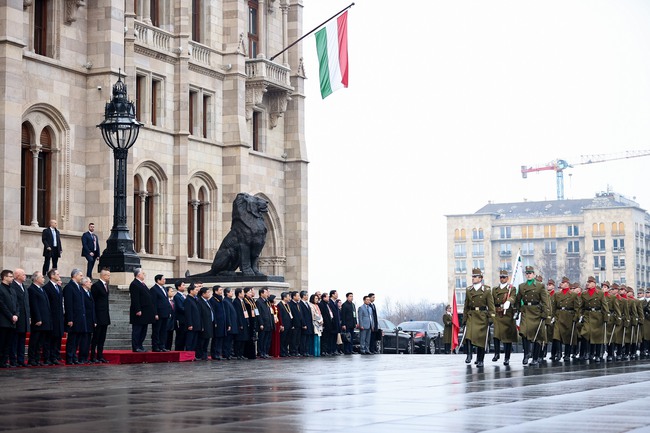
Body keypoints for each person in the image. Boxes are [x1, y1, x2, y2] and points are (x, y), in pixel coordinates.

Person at [516, 266, 550, 366]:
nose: (528, 275)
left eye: (530, 273)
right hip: (526, 311)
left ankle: (535, 358)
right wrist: (518, 310)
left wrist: (545, 313)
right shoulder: (522, 286)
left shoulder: (540, 286)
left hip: (537, 312)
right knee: (524, 333)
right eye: (527, 273)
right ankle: (526, 354)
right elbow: (518, 300)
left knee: (537, 336)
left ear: (534, 275)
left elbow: (545, 301)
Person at [463, 268, 495, 367]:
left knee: (481, 339)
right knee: (468, 336)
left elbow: (491, 306)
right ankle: (469, 355)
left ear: (480, 278)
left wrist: (491, 318)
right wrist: (464, 319)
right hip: (472, 315)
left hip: (482, 316)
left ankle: (480, 359)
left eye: (475, 276)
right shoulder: (469, 290)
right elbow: (466, 305)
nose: (473, 278)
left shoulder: (486, 290)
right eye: (472, 276)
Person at [579, 276, 609, 362]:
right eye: (588, 282)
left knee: (597, 336)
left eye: (590, 282)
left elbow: (604, 306)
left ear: (594, 284)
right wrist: (580, 315)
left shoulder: (600, 293)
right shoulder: (584, 294)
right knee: (586, 333)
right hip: (587, 315)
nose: (588, 283)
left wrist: (606, 318)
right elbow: (581, 306)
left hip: (598, 316)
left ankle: (597, 354)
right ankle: (588, 352)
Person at [551, 276, 581, 362]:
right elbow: (554, 307)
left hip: (569, 316)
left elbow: (577, 308)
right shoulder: (557, 294)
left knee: (568, 336)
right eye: (561, 282)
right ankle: (559, 353)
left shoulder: (573, 295)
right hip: (559, 315)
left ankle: (567, 354)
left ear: (567, 284)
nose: (562, 284)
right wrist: (552, 316)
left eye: (563, 283)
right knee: (557, 335)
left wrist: (576, 317)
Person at [491, 269, 517, 365]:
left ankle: (507, 357)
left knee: (507, 338)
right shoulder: (495, 289)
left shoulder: (511, 288)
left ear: (507, 278)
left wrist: (509, 301)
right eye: (501, 277)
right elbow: (492, 301)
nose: (502, 279)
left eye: (504, 277)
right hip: (498, 313)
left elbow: (514, 297)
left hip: (507, 314)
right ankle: (497, 353)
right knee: (496, 335)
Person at [27, 271, 51, 366]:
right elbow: (34, 305)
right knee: (34, 341)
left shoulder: (42, 289)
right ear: (36, 278)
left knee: (40, 342)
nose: (44, 279)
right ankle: (32, 359)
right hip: (38, 320)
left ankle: (37, 359)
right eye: (42, 277)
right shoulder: (32, 289)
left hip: (45, 320)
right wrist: (37, 319)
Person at [129, 268, 155, 352]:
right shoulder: (134, 284)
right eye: (143, 273)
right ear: (138, 275)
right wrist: (137, 310)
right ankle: (136, 346)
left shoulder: (142, 284)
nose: (144, 275)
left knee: (143, 330)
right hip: (139, 312)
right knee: (137, 330)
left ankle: (140, 345)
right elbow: (135, 299)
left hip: (146, 312)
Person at [63, 269, 86, 364]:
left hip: (80, 318)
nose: (82, 277)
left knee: (77, 339)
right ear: (74, 276)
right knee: (72, 339)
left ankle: (74, 357)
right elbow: (68, 304)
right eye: (80, 275)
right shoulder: (69, 287)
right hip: (73, 318)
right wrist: (70, 319)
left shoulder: (79, 287)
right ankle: (69, 357)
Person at [43, 268, 64, 365]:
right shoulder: (47, 288)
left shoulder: (59, 288)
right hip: (51, 317)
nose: (59, 276)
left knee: (57, 338)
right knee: (49, 339)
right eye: (57, 274)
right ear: (52, 276)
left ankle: (55, 356)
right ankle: (47, 358)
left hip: (59, 317)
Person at [10, 268, 30, 367]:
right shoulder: (12, 286)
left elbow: (27, 304)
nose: (25, 276)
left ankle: (21, 360)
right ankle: (13, 360)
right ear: (17, 275)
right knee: (15, 340)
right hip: (17, 318)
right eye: (23, 274)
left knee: (22, 340)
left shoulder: (24, 287)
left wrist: (29, 317)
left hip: (24, 318)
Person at [90, 269, 111, 363]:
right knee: (96, 337)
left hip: (105, 315)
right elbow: (93, 301)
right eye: (108, 275)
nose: (109, 277)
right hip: (98, 316)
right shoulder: (96, 286)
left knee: (102, 338)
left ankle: (100, 355)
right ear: (103, 275)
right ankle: (93, 356)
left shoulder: (106, 285)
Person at [0, 270, 17, 368]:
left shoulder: (12, 289)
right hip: (4, 321)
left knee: (8, 343)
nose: (12, 278)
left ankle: (4, 361)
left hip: (12, 321)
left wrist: (16, 315)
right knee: (2, 342)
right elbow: (2, 305)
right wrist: (11, 316)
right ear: (4, 277)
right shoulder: (1, 288)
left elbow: (16, 304)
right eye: (10, 276)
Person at [150, 274, 171, 352]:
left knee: (163, 330)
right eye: (163, 279)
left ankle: (162, 345)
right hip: (158, 313)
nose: (164, 280)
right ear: (158, 280)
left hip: (165, 313)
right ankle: (155, 346)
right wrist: (155, 313)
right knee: (157, 330)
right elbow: (153, 303)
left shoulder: (164, 288)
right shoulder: (154, 289)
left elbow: (166, 301)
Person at [78, 276, 96, 364]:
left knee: (88, 339)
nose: (91, 283)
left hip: (90, 320)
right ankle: (82, 357)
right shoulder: (81, 292)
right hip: (84, 320)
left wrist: (94, 320)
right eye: (89, 282)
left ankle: (86, 357)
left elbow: (92, 307)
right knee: (83, 340)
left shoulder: (89, 293)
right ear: (85, 283)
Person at [210, 285, 229, 360]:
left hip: (222, 323)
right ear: (216, 291)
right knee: (216, 339)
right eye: (220, 290)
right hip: (217, 323)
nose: (221, 291)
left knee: (220, 339)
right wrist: (215, 322)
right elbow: (213, 312)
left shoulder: (221, 299)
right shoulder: (213, 300)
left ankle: (218, 353)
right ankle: (214, 353)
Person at [196, 286, 214, 361]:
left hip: (209, 323)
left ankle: (205, 354)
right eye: (208, 292)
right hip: (204, 324)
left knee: (207, 340)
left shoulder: (208, 301)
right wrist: (201, 325)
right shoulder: (199, 301)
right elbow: (199, 315)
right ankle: (200, 354)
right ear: (203, 294)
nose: (209, 294)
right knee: (202, 341)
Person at [255, 287, 273, 359]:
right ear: (261, 293)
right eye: (265, 292)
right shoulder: (258, 302)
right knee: (262, 339)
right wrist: (261, 323)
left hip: (268, 323)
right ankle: (261, 352)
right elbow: (258, 313)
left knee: (267, 339)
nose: (267, 294)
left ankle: (265, 352)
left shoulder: (267, 301)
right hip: (263, 323)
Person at [184, 283, 201, 355]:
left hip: (196, 324)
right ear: (191, 291)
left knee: (195, 341)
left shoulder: (195, 299)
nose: (197, 292)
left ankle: (193, 354)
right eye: (196, 290)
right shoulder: (188, 300)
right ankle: (189, 354)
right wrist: (190, 324)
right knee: (190, 341)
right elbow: (188, 313)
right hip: (191, 324)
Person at [232, 288, 249, 360]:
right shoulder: (236, 302)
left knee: (244, 339)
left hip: (245, 321)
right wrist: (240, 324)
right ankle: (237, 354)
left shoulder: (243, 301)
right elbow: (238, 314)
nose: (244, 294)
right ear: (239, 294)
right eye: (242, 293)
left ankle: (241, 353)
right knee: (239, 339)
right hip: (240, 323)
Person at [223, 287, 238, 359]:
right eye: (231, 291)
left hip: (233, 323)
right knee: (227, 340)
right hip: (230, 324)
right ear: (227, 293)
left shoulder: (230, 301)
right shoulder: (226, 301)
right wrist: (229, 324)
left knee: (231, 340)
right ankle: (226, 354)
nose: (232, 293)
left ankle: (230, 353)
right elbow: (227, 314)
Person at [243, 287, 258, 359]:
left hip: (253, 319)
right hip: (249, 320)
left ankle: (252, 353)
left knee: (253, 337)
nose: (251, 293)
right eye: (249, 292)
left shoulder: (252, 300)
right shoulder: (245, 301)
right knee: (249, 337)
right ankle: (248, 353)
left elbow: (255, 309)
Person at [173, 280, 187, 351]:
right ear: (178, 287)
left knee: (184, 337)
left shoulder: (184, 296)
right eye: (183, 285)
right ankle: (179, 351)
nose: (185, 287)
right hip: (181, 320)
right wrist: (188, 310)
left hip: (186, 319)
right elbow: (180, 307)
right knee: (180, 337)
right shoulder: (177, 296)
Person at [298, 290, 314, 356]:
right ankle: (303, 351)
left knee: (307, 339)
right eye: (306, 295)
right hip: (304, 324)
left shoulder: (307, 304)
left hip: (309, 323)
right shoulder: (300, 304)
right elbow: (301, 315)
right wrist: (303, 324)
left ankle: (306, 351)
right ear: (303, 296)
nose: (307, 296)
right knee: (303, 339)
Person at [277, 292, 292, 357]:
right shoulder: (280, 305)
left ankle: (286, 351)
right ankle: (282, 351)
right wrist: (281, 324)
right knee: (283, 339)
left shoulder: (287, 304)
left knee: (287, 339)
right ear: (284, 297)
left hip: (289, 324)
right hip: (284, 324)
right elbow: (280, 316)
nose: (289, 298)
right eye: (288, 296)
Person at [166, 287, 176, 351]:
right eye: (171, 291)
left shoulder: (173, 301)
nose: (172, 293)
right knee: (165, 337)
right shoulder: (165, 300)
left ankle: (169, 349)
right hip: (166, 322)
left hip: (172, 322)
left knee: (170, 337)